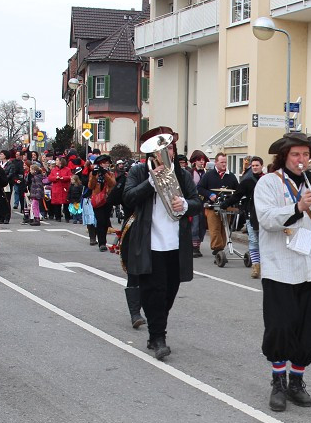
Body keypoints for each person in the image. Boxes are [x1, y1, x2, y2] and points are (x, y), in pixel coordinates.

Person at [254, 132, 311, 411]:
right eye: (296, 154)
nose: (301, 160)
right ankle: (278, 381)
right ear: (284, 156)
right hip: (280, 266)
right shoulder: (268, 182)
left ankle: (297, 382)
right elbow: (267, 220)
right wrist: (298, 206)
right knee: (280, 326)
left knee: (307, 330)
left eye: (305, 154)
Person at [116, 127, 202, 360]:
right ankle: (158, 337)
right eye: (160, 149)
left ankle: (155, 330)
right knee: (154, 290)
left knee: (170, 292)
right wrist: (152, 183)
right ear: (150, 153)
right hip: (149, 242)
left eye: (170, 148)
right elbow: (128, 198)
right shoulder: (138, 172)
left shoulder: (182, 175)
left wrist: (185, 205)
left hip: (175, 242)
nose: (166, 153)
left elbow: (196, 202)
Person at [197, 152, 239, 257]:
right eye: (222, 162)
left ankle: (222, 248)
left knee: (224, 228)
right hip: (212, 206)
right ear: (216, 162)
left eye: (225, 162)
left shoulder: (231, 176)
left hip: (226, 205)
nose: (224, 164)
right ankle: (217, 248)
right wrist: (209, 194)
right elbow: (199, 188)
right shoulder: (209, 175)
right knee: (214, 228)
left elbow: (237, 190)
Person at [230, 156, 265, 278]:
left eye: (257, 165)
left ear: (262, 166)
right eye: (253, 165)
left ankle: (265, 266)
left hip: (264, 216)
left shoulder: (266, 180)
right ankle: (256, 266)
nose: (255, 167)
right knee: (253, 241)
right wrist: (225, 204)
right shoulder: (247, 181)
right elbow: (237, 195)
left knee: (264, 242)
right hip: (250, 215)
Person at [88, 154, 116, 250]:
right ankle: (102, 243)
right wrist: (94, 175)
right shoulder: (93, 173)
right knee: (100, 221)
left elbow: (112, 183)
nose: (106, 165)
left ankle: (103, 240)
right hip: (97, 200)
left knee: (105, 221)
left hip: (107, 199)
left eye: (107, 163)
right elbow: (90, 186)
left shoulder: (110, 173)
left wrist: (105, 174)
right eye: (103, 163)